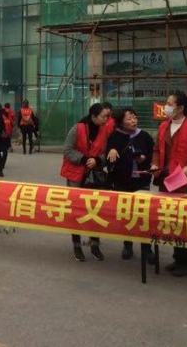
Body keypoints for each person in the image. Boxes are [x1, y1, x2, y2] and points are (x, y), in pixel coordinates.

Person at [151, 91, 187, 277]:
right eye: (166, 103)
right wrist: (155, 164)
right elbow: (156, 149)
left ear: (180, 108)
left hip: (184, 181)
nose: (166, 107)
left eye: (169, 104)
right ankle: (178, 257)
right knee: (171, 220)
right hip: (165, 179)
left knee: (184, 221)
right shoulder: (163, 126)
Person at [61, 103, 113, 262]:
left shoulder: (105, 131)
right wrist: (84, 159)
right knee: (76, 210)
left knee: (95, 209)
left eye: (107, 116)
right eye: (103, 116)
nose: (106, 119)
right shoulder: (77, 129)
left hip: (94, 176)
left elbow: (105, 153)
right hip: (76, 175)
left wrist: (97, 160)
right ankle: (77, 245)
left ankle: (95, 244)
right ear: (93, 117)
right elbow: (68, 149)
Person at [106, 108, 154, 260]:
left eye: (134, 117)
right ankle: (127, 245)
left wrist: (144, 159)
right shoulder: (115, 136)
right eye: (129, 118)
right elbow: (108, 158)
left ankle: (147, 248)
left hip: (141, 181)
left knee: (144, 215)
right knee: (126, 215)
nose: (133, 121)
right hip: (122, 182)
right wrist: (112, 151)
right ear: (121, 122)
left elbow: (153, 155)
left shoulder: (144, 136)